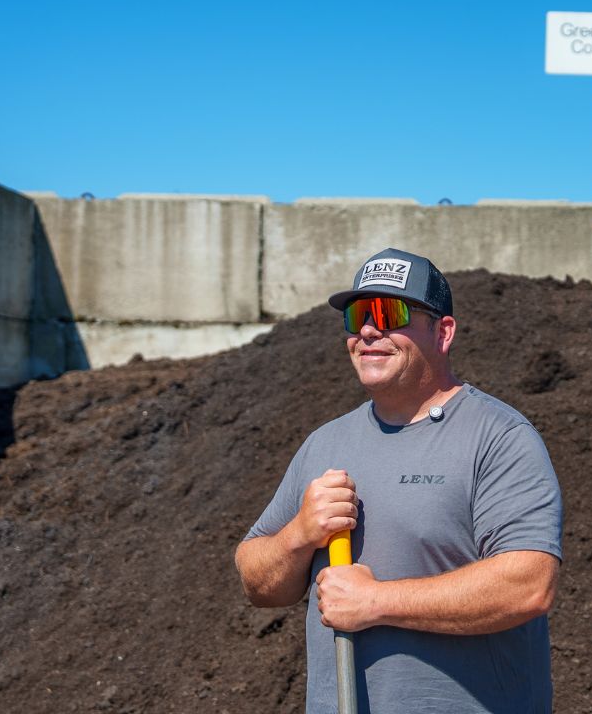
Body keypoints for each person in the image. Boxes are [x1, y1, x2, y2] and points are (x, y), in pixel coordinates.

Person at [235, 247, 563, 713]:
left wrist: (376, 602)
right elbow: (256, 581)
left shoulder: (498, 437)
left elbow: (528, 585)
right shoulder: (325, 444)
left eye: (390, 313)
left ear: (443, 331)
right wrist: (298, 536)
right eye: (357, 315)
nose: (369, 329)